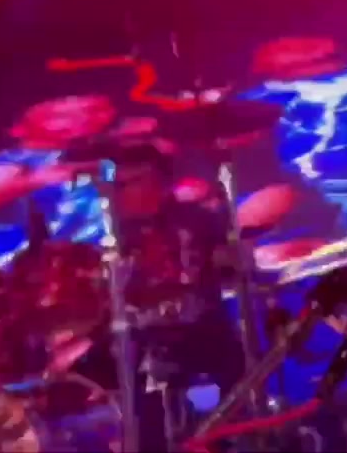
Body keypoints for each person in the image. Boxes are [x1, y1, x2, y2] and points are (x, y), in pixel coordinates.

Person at [69, 142, 245, 451]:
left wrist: (228, 258)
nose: (120, 193)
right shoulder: (109, 237)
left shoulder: (198, 220)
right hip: (141, 342)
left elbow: (231, 269)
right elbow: (105, 304)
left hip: (202, 332)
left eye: (130, 183)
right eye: (118, 185)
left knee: (230, 370)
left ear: (159, 183)